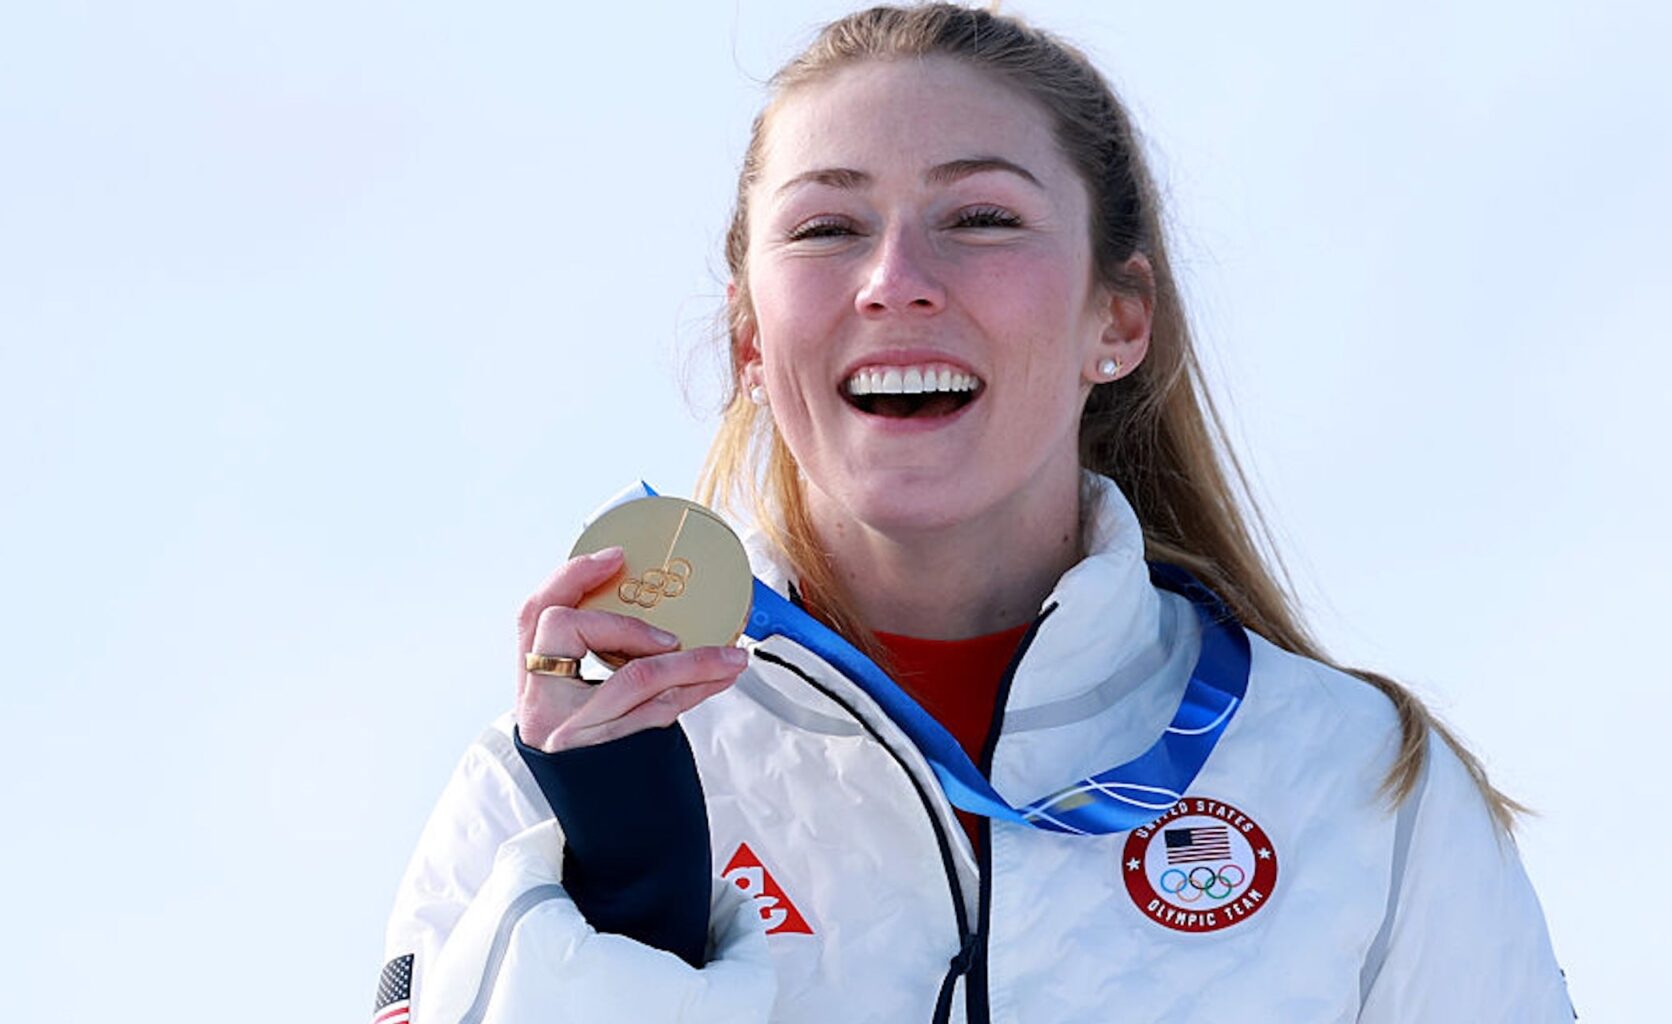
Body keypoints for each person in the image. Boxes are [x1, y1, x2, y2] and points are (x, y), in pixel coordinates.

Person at [378, 5, 1575, 1022]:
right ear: (751, 337)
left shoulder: (1359, 787)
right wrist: (618, 919)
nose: (895, 277)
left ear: (1119, 317)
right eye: (827, 228)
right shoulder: (547, 781)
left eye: (982, 218)